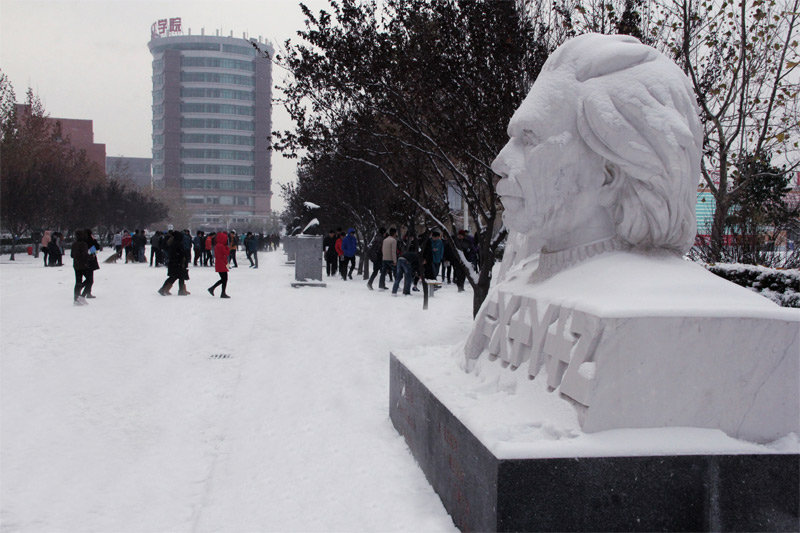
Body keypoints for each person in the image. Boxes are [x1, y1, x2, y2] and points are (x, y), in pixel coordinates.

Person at [157, 231, 190, 296]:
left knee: (177, 276)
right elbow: (181, 253)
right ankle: (178, 290)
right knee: (175, 277)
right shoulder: (178, 244)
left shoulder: (172, 243)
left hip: (174, 263)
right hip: (177, 263)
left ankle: (178, 290)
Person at [208, 231, 231, 298]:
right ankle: (221, 292)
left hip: (219, 263)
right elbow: (227, 253)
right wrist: (227, 247)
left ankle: (214, 289)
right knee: (224, 279)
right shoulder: (222, 246)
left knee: (223, 279)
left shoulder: (217, 245)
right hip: (222, 263)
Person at [71, 229, 90, 306]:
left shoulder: (74, 244)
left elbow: (72, 255)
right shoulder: (83, 244)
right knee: (89, 280)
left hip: (76, 265)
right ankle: (82, 296)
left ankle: (76, 298)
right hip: (83, 265)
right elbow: (84, 255)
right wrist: (90, 256)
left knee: (78, 281)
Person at [81, 229, 101, 299]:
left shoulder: (82, 241)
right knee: (90, 279)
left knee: (88, 278)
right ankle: (85, 292)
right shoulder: (91, 241)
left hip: (83, 261)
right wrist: (94, 241)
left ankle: (84, 289)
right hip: (90, 260)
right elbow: (97, 247)